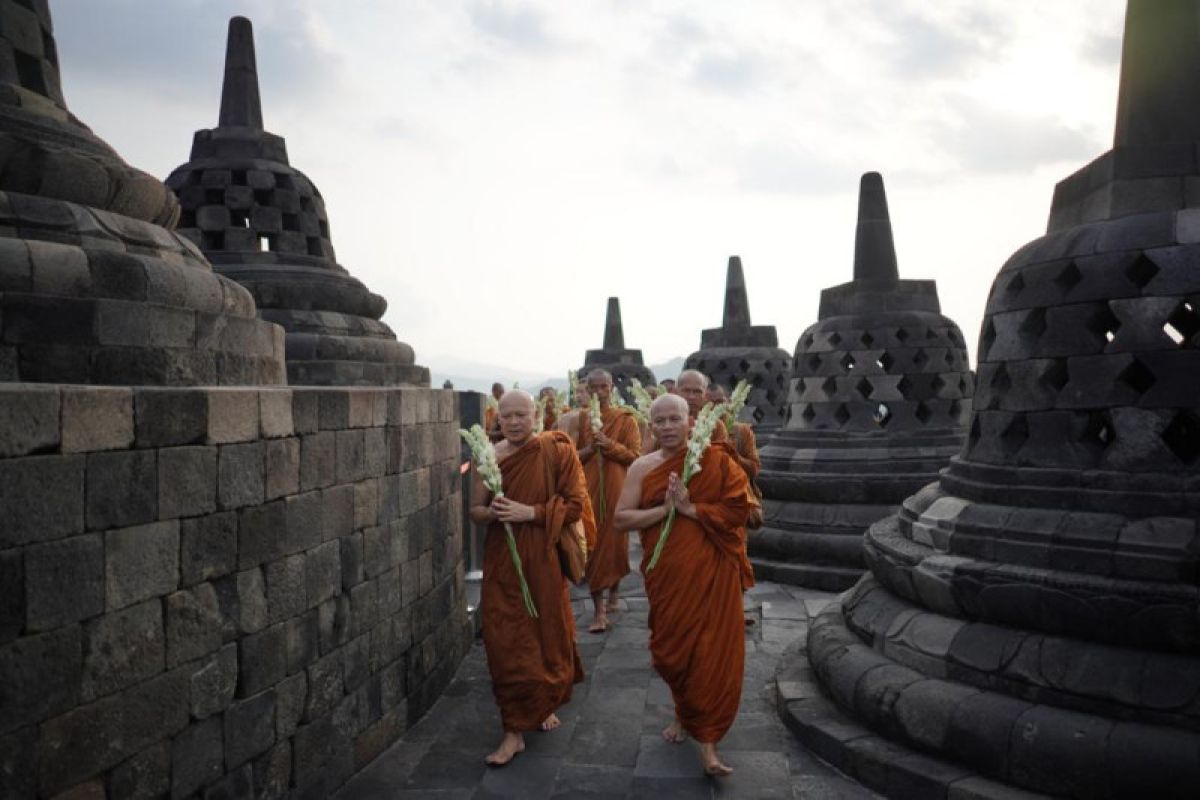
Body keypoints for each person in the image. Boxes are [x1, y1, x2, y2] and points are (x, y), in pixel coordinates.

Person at [613, 394, 752, 777]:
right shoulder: (642, 467)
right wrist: (667, 510)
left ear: (691, 421)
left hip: (712, 573)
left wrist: (694, 510)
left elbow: (742, 510)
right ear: (651, 426)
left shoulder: (717, 460)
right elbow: (621, 519)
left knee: (709, 653)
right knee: (674, 651)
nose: (669, 426)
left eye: (676, 419)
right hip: (668, 575)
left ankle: (708, 744)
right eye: (660, 421)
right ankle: (682, 713)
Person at [468, 390, 594, 766]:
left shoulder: (557, 450)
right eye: (507, 417)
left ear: (536, 414)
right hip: (503, 561)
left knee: (544, 633)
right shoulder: (490, 456)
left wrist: (532, 512)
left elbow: (575, 505)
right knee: (504, 639)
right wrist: (493, 513)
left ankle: (542, 704)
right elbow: (475, 511)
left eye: (522, 414)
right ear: (498, 420)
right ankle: (512, 730)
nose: (515, 422)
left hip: (541, 557)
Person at [576, 369, 641, 632]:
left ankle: (614, 591)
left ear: (612, 387)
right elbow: (573, 457)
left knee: (614, 545)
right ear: (588, 389)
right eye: (595, 388)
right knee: (593, 546)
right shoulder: (582, 419)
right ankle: (599, 613)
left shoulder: (626, 420)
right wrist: (591, 448)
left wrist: (609, 445)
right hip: (589, 490)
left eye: (605, 387)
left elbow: (636, 457)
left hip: (617, 489)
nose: (600, 392)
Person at [705, 382, 761, 593]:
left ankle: (736, 606)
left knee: (736, 555)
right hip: (707, 503)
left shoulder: (741, 432)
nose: (715, 408)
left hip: (734, 504)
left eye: (719, 402)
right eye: (709, 404)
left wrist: (732, 455)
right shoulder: (698, 430)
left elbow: (754, 468)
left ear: (729, 403)